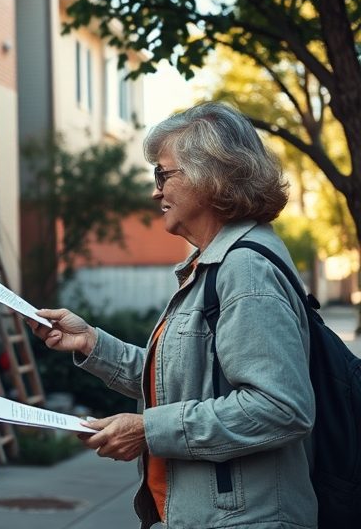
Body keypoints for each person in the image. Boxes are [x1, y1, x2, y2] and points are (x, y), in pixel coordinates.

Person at [27, 101, 317, 529]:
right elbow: (182, 380)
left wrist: (148, 430)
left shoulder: (244, 269)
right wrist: (91, 342)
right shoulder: (214, 264)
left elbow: (280, 407)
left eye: (164, 174)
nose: (155, 191)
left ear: (212, 175)